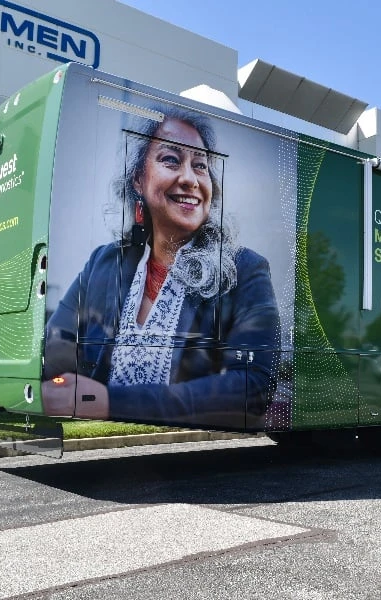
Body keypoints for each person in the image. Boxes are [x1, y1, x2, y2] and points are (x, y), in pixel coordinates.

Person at [42, 105, 280, 430]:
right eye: (171, 159)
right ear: (138, 179)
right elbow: (54, 349)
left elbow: (254, 388)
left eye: (200, 165)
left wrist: (110, 403)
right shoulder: (103, 264)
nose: (190, 179)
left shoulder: (245, 270)